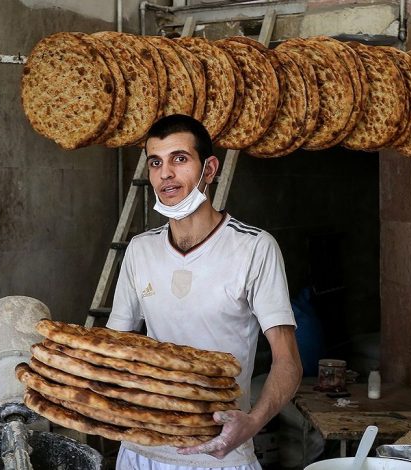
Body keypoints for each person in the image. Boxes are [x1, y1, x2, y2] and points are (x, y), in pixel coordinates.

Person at [107, 114, 302, 470]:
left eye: (179, 159)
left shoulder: (254, 248)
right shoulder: (139, 249)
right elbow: (115, 350)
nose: (165, 173)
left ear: (209, 169)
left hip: (219, 452)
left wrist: (253, 423)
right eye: (156, 162)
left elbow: (287, 360)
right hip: (141, 451)